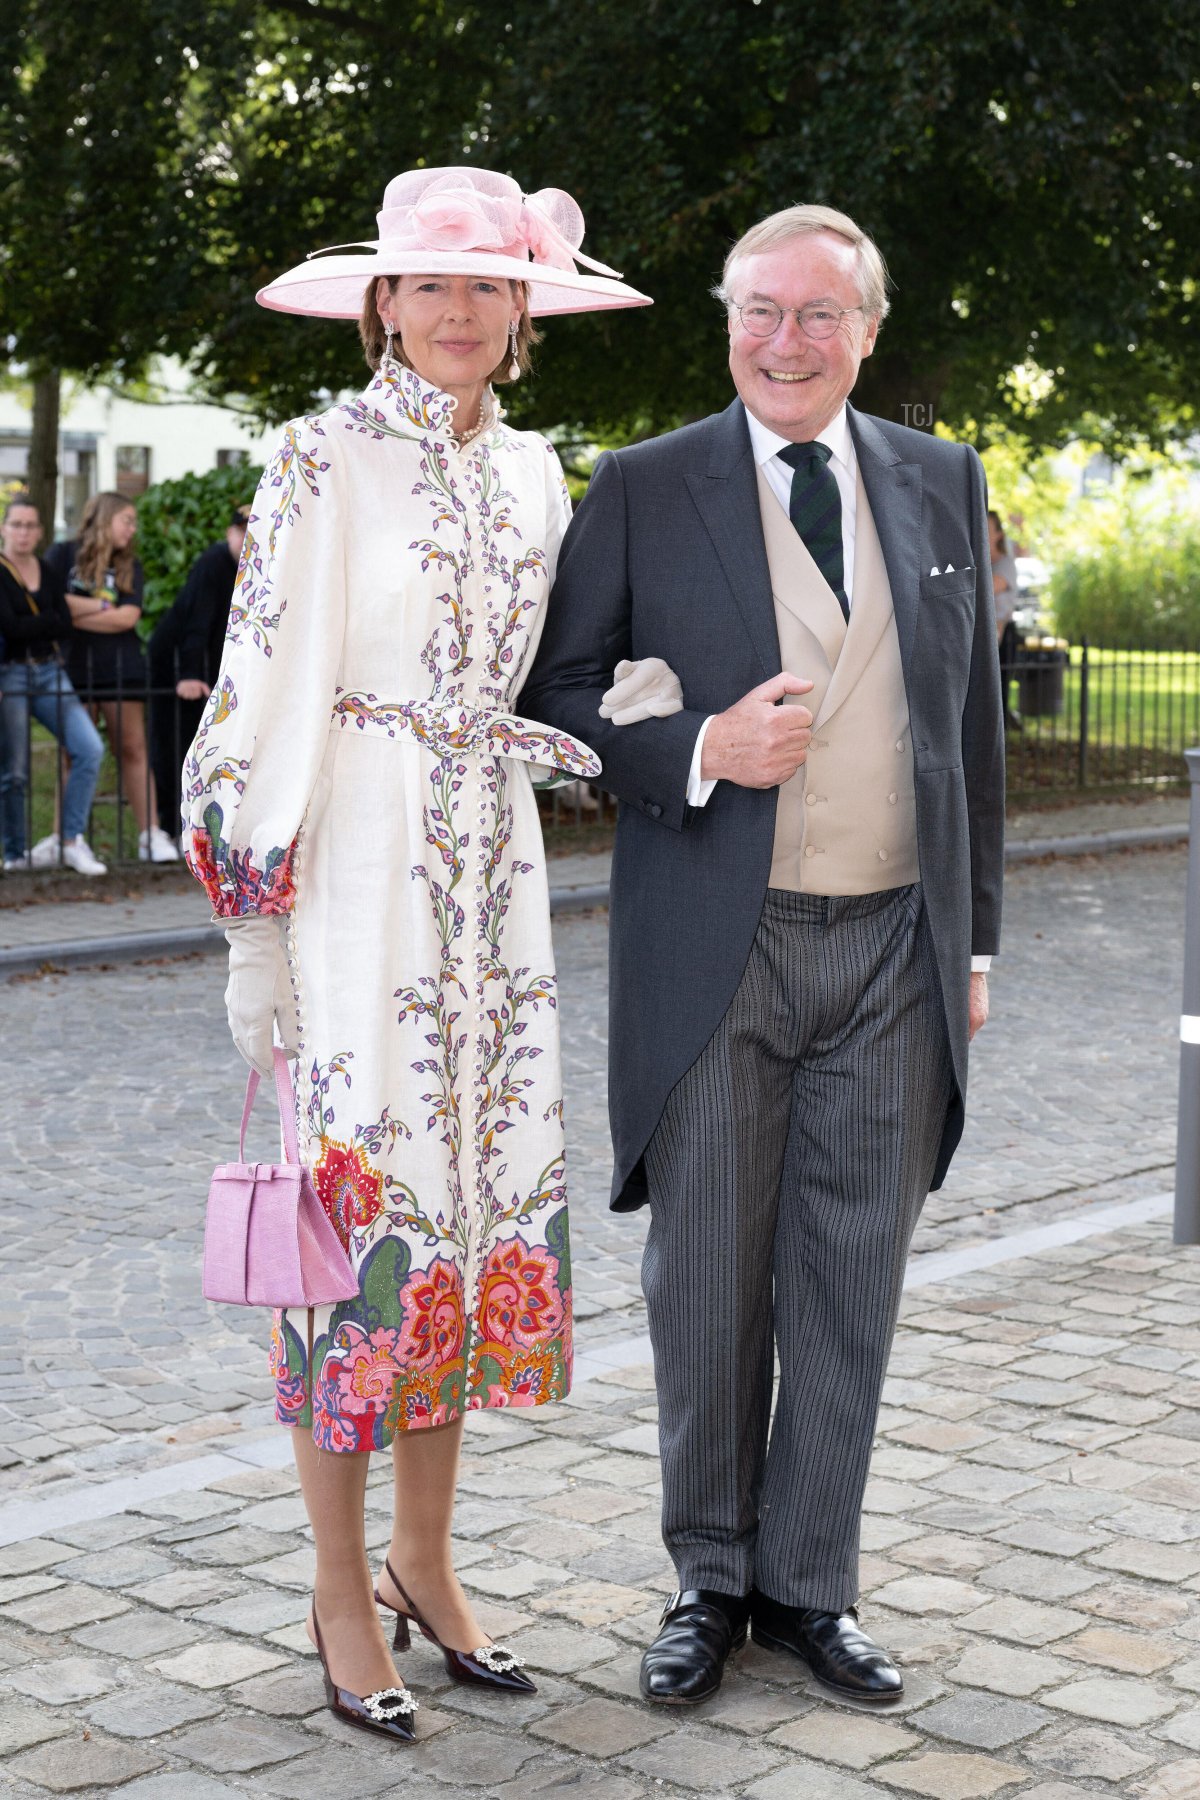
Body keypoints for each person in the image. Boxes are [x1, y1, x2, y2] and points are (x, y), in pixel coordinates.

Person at [181, 166, 651, 1741]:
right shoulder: (320, 460)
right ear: (383, 303)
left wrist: (617, 728)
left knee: (460, 1231)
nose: (459, 312)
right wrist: (259, 931)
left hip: (490, 888)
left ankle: (427, 1564)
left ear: (525, 314)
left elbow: (522, 685)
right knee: (356, 1240)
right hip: (358, 880)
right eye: (429, 285)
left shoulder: (535, 475)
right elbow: (263, 695)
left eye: (487, 288)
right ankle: (334, 1589)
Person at [520, 202, 1005, 1707]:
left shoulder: (939, 480)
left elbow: (971, 730)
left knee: (852, 1276)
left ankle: (810, 1587)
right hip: (718, 949)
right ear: (725, 319)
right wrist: (698, 746)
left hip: (893, 950)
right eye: (757, 311)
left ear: (868, 327)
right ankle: (708, 1577)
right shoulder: (646, 485)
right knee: (710, 1281)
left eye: (816, 315)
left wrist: (975, 942)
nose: (784, 342)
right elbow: (558, 692)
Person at [44, 493, 179, 863]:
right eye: (127, 520)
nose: (132, 528)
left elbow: (128, 618)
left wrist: (80, 613)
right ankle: (65, 838)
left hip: (122, 668)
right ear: (105, 518)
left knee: (133, 748)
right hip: (75, 667)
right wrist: (105, 606)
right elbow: (55, 606)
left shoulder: (128, 564)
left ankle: (150, 834)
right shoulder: (62, 555)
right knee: (75, 754)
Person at [0, 496, 106, 875]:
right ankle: (14, 853)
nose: (24, 532)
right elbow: (11, 629)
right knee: (13, 770)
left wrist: (37, 623)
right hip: (9, 673)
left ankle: (70, 839)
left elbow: (62, 622)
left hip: (48, 671)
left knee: (89, 748)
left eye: (31, 525)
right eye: (17, 525)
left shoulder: (46, 569)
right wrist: (45, 621)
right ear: (4, 528)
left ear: (41, 530)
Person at [148, 504, 250, 833]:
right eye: (242, 530)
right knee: (176, 744)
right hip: (178, 666)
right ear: (230, 533)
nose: (248, 537)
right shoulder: (214, 563)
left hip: (208, 668)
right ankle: (173, 824)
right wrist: (189, 674)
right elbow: (198, 622)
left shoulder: (255, 569)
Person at [989, 508, 1021, 730]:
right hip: (985, 635)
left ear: (998, 534)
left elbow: (987, 588)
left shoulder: (1005, 564)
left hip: (1003, 637)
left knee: (998, 691)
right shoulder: (984, 564)